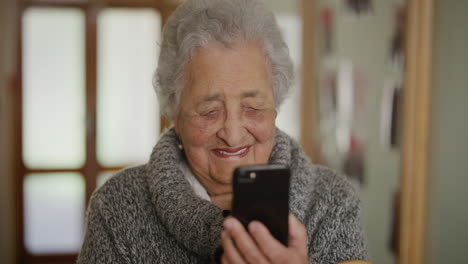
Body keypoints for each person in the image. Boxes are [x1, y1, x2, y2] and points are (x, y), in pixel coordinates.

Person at [77, 0, 369, 263]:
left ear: (275, 107)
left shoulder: (332, 200)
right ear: (175, 114)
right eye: (209, 111)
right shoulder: (117, 208)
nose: (232, 134)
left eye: (253, 107)